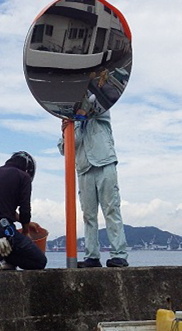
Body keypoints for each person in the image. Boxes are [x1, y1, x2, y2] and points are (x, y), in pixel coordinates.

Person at [58, 110, 129, 268]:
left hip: (104, 163)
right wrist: (66, 131)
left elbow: (97, 108)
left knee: (111, 209)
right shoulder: (71, 124)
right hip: (84, 169)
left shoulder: (100, 112)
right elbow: (65, 148)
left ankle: (119, 254)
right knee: (88, 215)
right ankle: (92, 256)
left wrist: (80, 114)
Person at [0, 151, 47, 270]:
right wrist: (25, 232)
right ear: (28, 169)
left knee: (13, 258)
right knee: (39, 261)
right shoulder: (23, 177)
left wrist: (27, 223)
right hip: (2, 231)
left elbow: (0, 207)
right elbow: (25, 209)